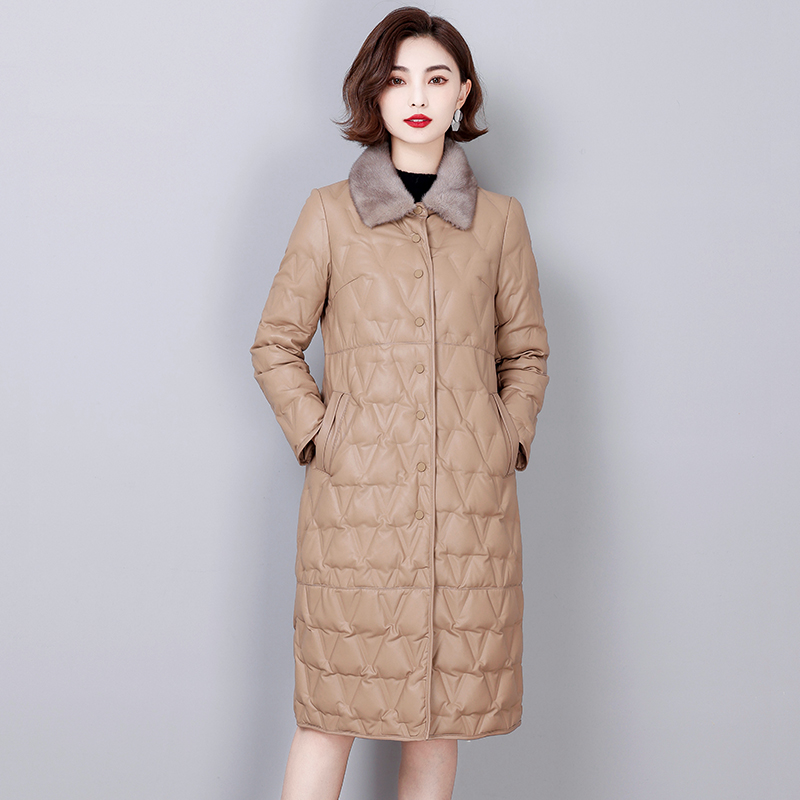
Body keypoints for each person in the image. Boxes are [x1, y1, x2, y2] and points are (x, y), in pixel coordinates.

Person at [250, 7, 549, 799]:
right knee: (329, 716)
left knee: (439, 720)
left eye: (436, 78)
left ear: (462, 94)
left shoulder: (500, 223)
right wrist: (325, 437)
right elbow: (275, 343)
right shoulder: (329, 213)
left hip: (467, 514)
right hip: (354, 514)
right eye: (397, 79)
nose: (417, 96)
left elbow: (524, 353)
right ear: (374, 95)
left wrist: (503, 437)